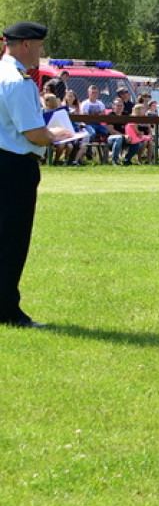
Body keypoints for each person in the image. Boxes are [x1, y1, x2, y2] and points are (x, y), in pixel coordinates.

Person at [0, 22, 72, 328]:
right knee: (12, 240)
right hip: (14, 166)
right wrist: (56, 134)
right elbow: (33, 133)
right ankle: (7, 309)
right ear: (27, 44)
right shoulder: (18, 80)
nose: (42, 53)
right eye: (40, 46)